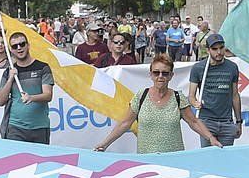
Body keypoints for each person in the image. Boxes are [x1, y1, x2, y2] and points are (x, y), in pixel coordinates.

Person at [94, 55, 222, 152]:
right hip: (147, 160)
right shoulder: (140, 96)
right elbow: (125, 123)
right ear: (150, 75)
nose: (160, 76)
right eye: (156, 72)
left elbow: (193, 122)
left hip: (174, 160)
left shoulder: (178, 98)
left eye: (165, 73)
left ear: (171, 75)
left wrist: (211, 138)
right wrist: (104, 144)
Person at [0, 31, 54, 143]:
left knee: (40, 160)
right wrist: (10, 79)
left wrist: (31, 98)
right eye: (14, 46)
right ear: (11, 50)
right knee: (17, 161)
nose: (19, 48)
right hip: (15, 128)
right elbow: (0, 101)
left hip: (39, 127)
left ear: (28, 45)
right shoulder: (8, 72)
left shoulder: (43, 67)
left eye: (22, 44)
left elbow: (48, 95)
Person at [188, 33, 243, 148]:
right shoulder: (198, 68)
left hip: (227, 122)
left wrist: (238, 122)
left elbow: (235, 95)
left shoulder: (232, 67)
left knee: (226, 160)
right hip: (206, 122)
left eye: (221, 48)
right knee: (208, 159)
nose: (219, 52)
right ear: (208, 50)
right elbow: (191, 96)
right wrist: (195, 103)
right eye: (214, 49)